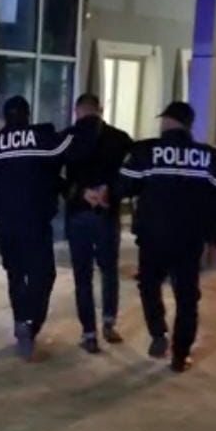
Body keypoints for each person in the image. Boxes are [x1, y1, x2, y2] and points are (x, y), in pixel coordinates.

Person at [117, 101, 216, 372]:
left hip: (153, 236)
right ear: (189, 125)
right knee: (187, 296)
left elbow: (124, 186)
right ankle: (180, 355)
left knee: (149, 285)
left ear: (167, 121)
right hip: (190, 239)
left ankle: (158, 333)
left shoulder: (146, 151)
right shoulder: (209, 156)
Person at [0, 96, 71, 361]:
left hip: (4, 224)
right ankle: (31, 324)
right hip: (33, 222)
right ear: (27, 115)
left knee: (16, 275)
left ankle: (22, 320)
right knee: (43, 275)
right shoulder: (40, 139)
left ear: (4, 117)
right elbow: (64, 149)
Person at [64, 93, 133, 354]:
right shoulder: (121, 138)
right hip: (107, 213)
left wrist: (81, 192)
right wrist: (109, 191)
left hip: (78, 213)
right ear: (100, 110)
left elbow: (56, 176)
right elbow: (131, 173)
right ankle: (109, 323)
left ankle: (89, 333)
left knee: (83, 276)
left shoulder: (67, 138)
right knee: (109, 270)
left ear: (76, 111)